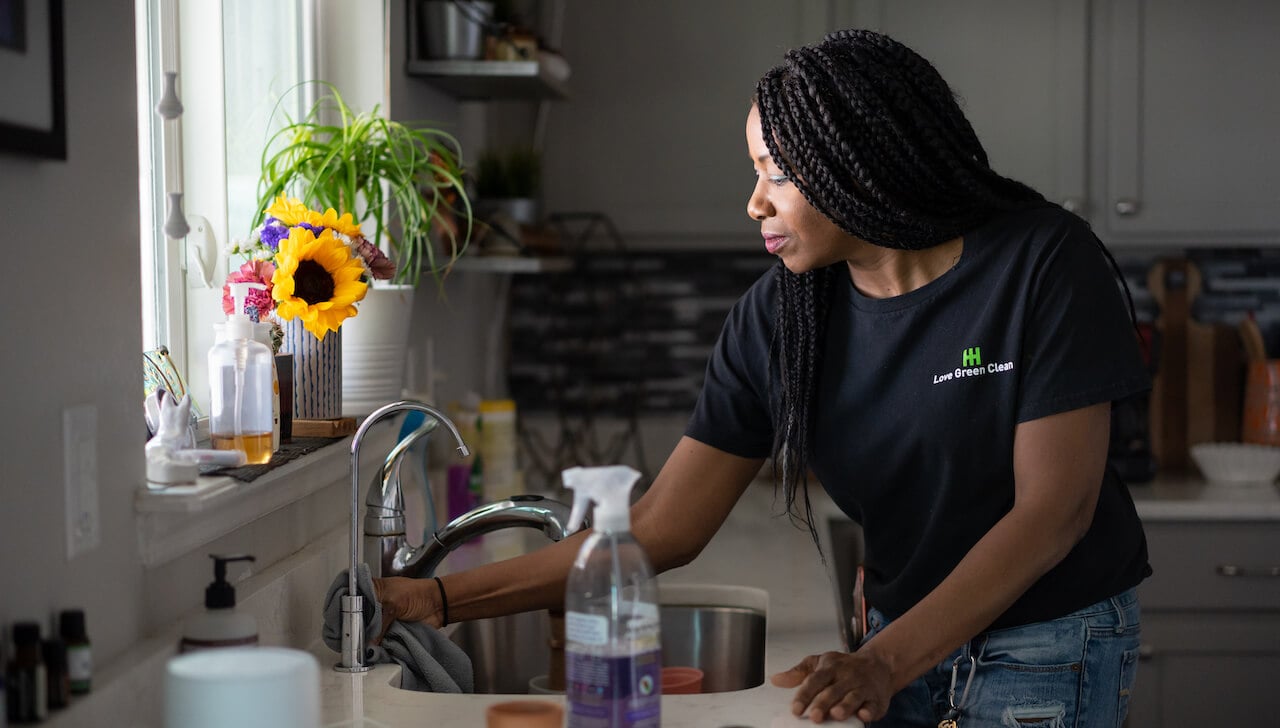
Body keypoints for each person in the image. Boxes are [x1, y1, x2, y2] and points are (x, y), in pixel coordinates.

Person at [374, 28, 1151, 726]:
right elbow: (660, 528)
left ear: (859, 163)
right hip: (891, 644)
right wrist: (438, 599)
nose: (753, 202)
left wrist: (885, 660)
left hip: (1046, 642)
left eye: (775, 173)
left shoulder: (1042, 262)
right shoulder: (780, 319)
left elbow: (1055, 512)